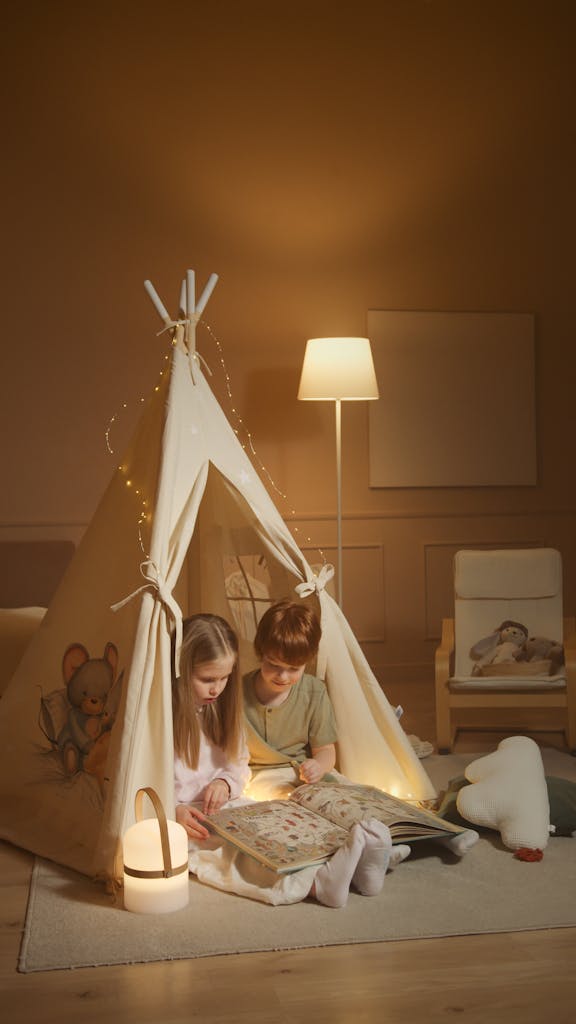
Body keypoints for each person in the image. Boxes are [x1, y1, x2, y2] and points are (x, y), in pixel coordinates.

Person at [173, 612, 403, 908]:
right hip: (188, 817)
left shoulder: (221, 705)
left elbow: (237, 763)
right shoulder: (167, 716)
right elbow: (147, 779)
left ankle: (353, 866)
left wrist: (224, 782)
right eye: (207, 679)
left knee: (273, 838)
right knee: (230, 859)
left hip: (226, 806)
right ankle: (317, 884)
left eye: (225, 678)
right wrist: (174, 809)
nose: (217, 688)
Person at [242, 599, 343, 801]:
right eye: (273, 665)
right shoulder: (237, 692)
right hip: (255, 777)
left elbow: (325, 750)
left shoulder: (314, 692)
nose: (283, 676)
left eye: (294, 669)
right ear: (260, 653)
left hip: (300, 774)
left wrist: (318, 766)